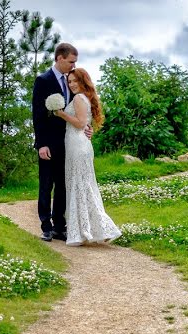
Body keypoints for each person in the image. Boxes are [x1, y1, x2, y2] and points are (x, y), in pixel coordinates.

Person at [54, 68, 122, 246]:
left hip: (78, 146)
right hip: (78, 144)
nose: (72, 84)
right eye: (69, 82)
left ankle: (95, 228)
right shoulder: (84, 98)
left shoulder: (78, 98)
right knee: (83, 185)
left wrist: (61, 114)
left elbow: (80, 123)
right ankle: (90, 229)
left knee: (81, 185)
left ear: (83, 81)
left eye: (75, 81)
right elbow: (86, 124)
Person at [32, 42, 84, 242]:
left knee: (63, 185)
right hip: (48, 143)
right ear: (59, 58)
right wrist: (41, 144)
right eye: (71, 62)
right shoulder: (42, 80)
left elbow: (77, 110)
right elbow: (37, 115)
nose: (74, 66)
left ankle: (59, 226)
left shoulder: (72, 81)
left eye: (75, 62)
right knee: (46, 184)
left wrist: (83, 127)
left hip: (68, 142)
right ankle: (46, 226)